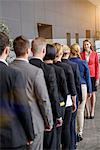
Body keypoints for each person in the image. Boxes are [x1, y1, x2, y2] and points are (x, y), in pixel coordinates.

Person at [10, 35, 53, 150]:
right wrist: (49, 121)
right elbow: (43, 99)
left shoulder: (7, 69)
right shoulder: (35, 72)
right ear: (28, 51)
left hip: (12, 125)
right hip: (34, 123)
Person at [0, 32, 34, 149]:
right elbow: (23, 107)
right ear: (7, 50)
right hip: (12, 138)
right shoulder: (13, 74)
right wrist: (30, 134)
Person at [29, 37, 62, 150]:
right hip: (47, 115)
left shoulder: (25, 67)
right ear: (44, 51)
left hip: (28, 116)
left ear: (31, 50)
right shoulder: (48, 69)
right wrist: (58, 115)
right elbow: (53, 94)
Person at [44, 44, 68, 150]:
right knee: (57, 137)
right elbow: (64, 90)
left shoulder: (38, 68)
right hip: (59, 105)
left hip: (44, 107)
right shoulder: (58, 70)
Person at [53, 42, 77, 150]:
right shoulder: (66, 67)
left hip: (53, 101)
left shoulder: (49, 67)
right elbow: (72, 87)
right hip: (66, 101)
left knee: (57, 130)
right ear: (61, 53)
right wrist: (74, 101)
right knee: (66, 128)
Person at [70, 43, 92, 142]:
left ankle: (72, 133)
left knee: (71, 111)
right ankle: (80, 132)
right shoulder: (83, 62)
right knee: (80, 111)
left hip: (71, 88)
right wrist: (90, 90)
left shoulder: (68, 62)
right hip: (82, 86)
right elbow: (88, 78)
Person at [62, 45, 81, 150]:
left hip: (61, 99)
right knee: (71, 124)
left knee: (64, 125)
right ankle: (72, 145)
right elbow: (76, 83)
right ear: (68, 52)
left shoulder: (56, 65)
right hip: (71, 98)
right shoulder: (73, 65)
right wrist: (79, 98)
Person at [81, 39, 99, 119]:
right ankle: (87, 112)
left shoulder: (94, 54)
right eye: (85, 45)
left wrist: (97, 78)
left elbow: (97, 66)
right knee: (86, 94)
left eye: (87, 44)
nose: (86, 46)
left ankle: (92, 111)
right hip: (84, 76)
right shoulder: (81, 54)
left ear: (90, 45)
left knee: (93, 94)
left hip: (92, 76)